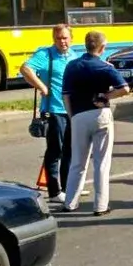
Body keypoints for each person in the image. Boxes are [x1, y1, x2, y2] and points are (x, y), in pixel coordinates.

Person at [60, 31, 130, 216]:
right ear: (103, 47)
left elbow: (65, 94)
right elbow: (125, 89)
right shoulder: (105, 67)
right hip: (101, 114)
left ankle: (70, 203)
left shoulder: (71, 66)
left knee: (77, 162)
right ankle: (100, 206)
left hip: (78, 116)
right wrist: (106, 96)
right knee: (101, 163)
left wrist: (71, 115)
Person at [21, 24, 78, 203]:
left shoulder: (73, 55)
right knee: (55, 151)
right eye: (59, 38)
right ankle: (54, 192)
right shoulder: (46, 55)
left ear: (71, 39)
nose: (62, 41)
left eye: (65, 38)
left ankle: (69, 188)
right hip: (54, 110)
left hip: (71, 110)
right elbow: (25, 68)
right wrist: (42, 87)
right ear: (54, 39)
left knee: (70, 150)